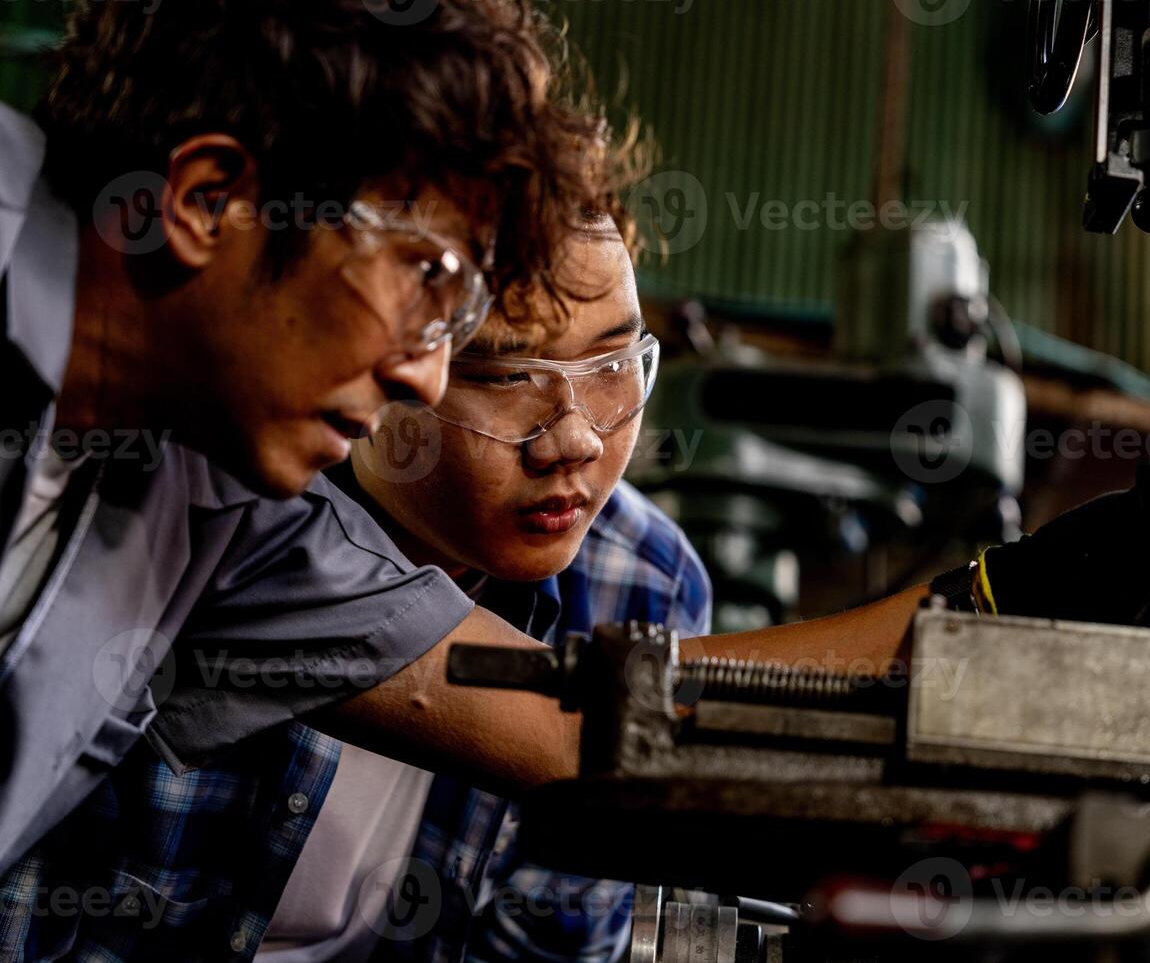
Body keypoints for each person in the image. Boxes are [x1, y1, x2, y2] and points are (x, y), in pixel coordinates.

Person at [0, 0, 1150, 899]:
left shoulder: (233, 512)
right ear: (208, 201)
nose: (424, 371)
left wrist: (1010, 599)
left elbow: (578, 728)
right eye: (427, 279)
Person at [0, 223, 702, 961]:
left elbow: (550, 939)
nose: (578, 439)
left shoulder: (646, 583)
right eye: (506, 374)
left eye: (615, 361)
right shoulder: (208, 506)